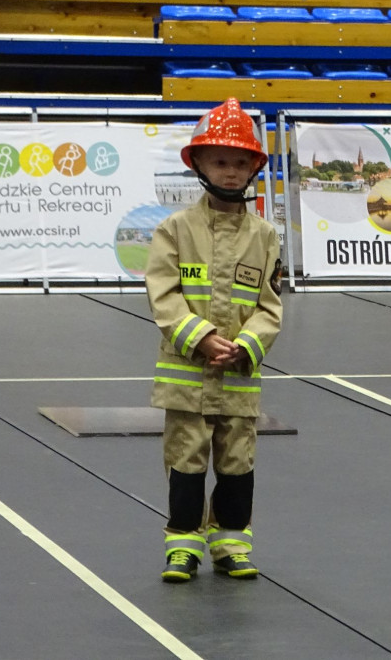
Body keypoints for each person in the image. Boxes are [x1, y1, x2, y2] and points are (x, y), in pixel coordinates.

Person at [145, 98, 283, 583]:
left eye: (239, 162)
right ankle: (182, 547)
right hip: (186, 378)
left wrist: (247, 346)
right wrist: (201, 338)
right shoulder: (174, 230)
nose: (229, 172)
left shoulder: (266, 237)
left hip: (239, 380)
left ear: (253, 168)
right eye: (220, 161)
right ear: (198, 164)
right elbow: (163, 296)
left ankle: (231, 545)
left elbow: (270, 305)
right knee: (185, 463)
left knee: (236, 463)